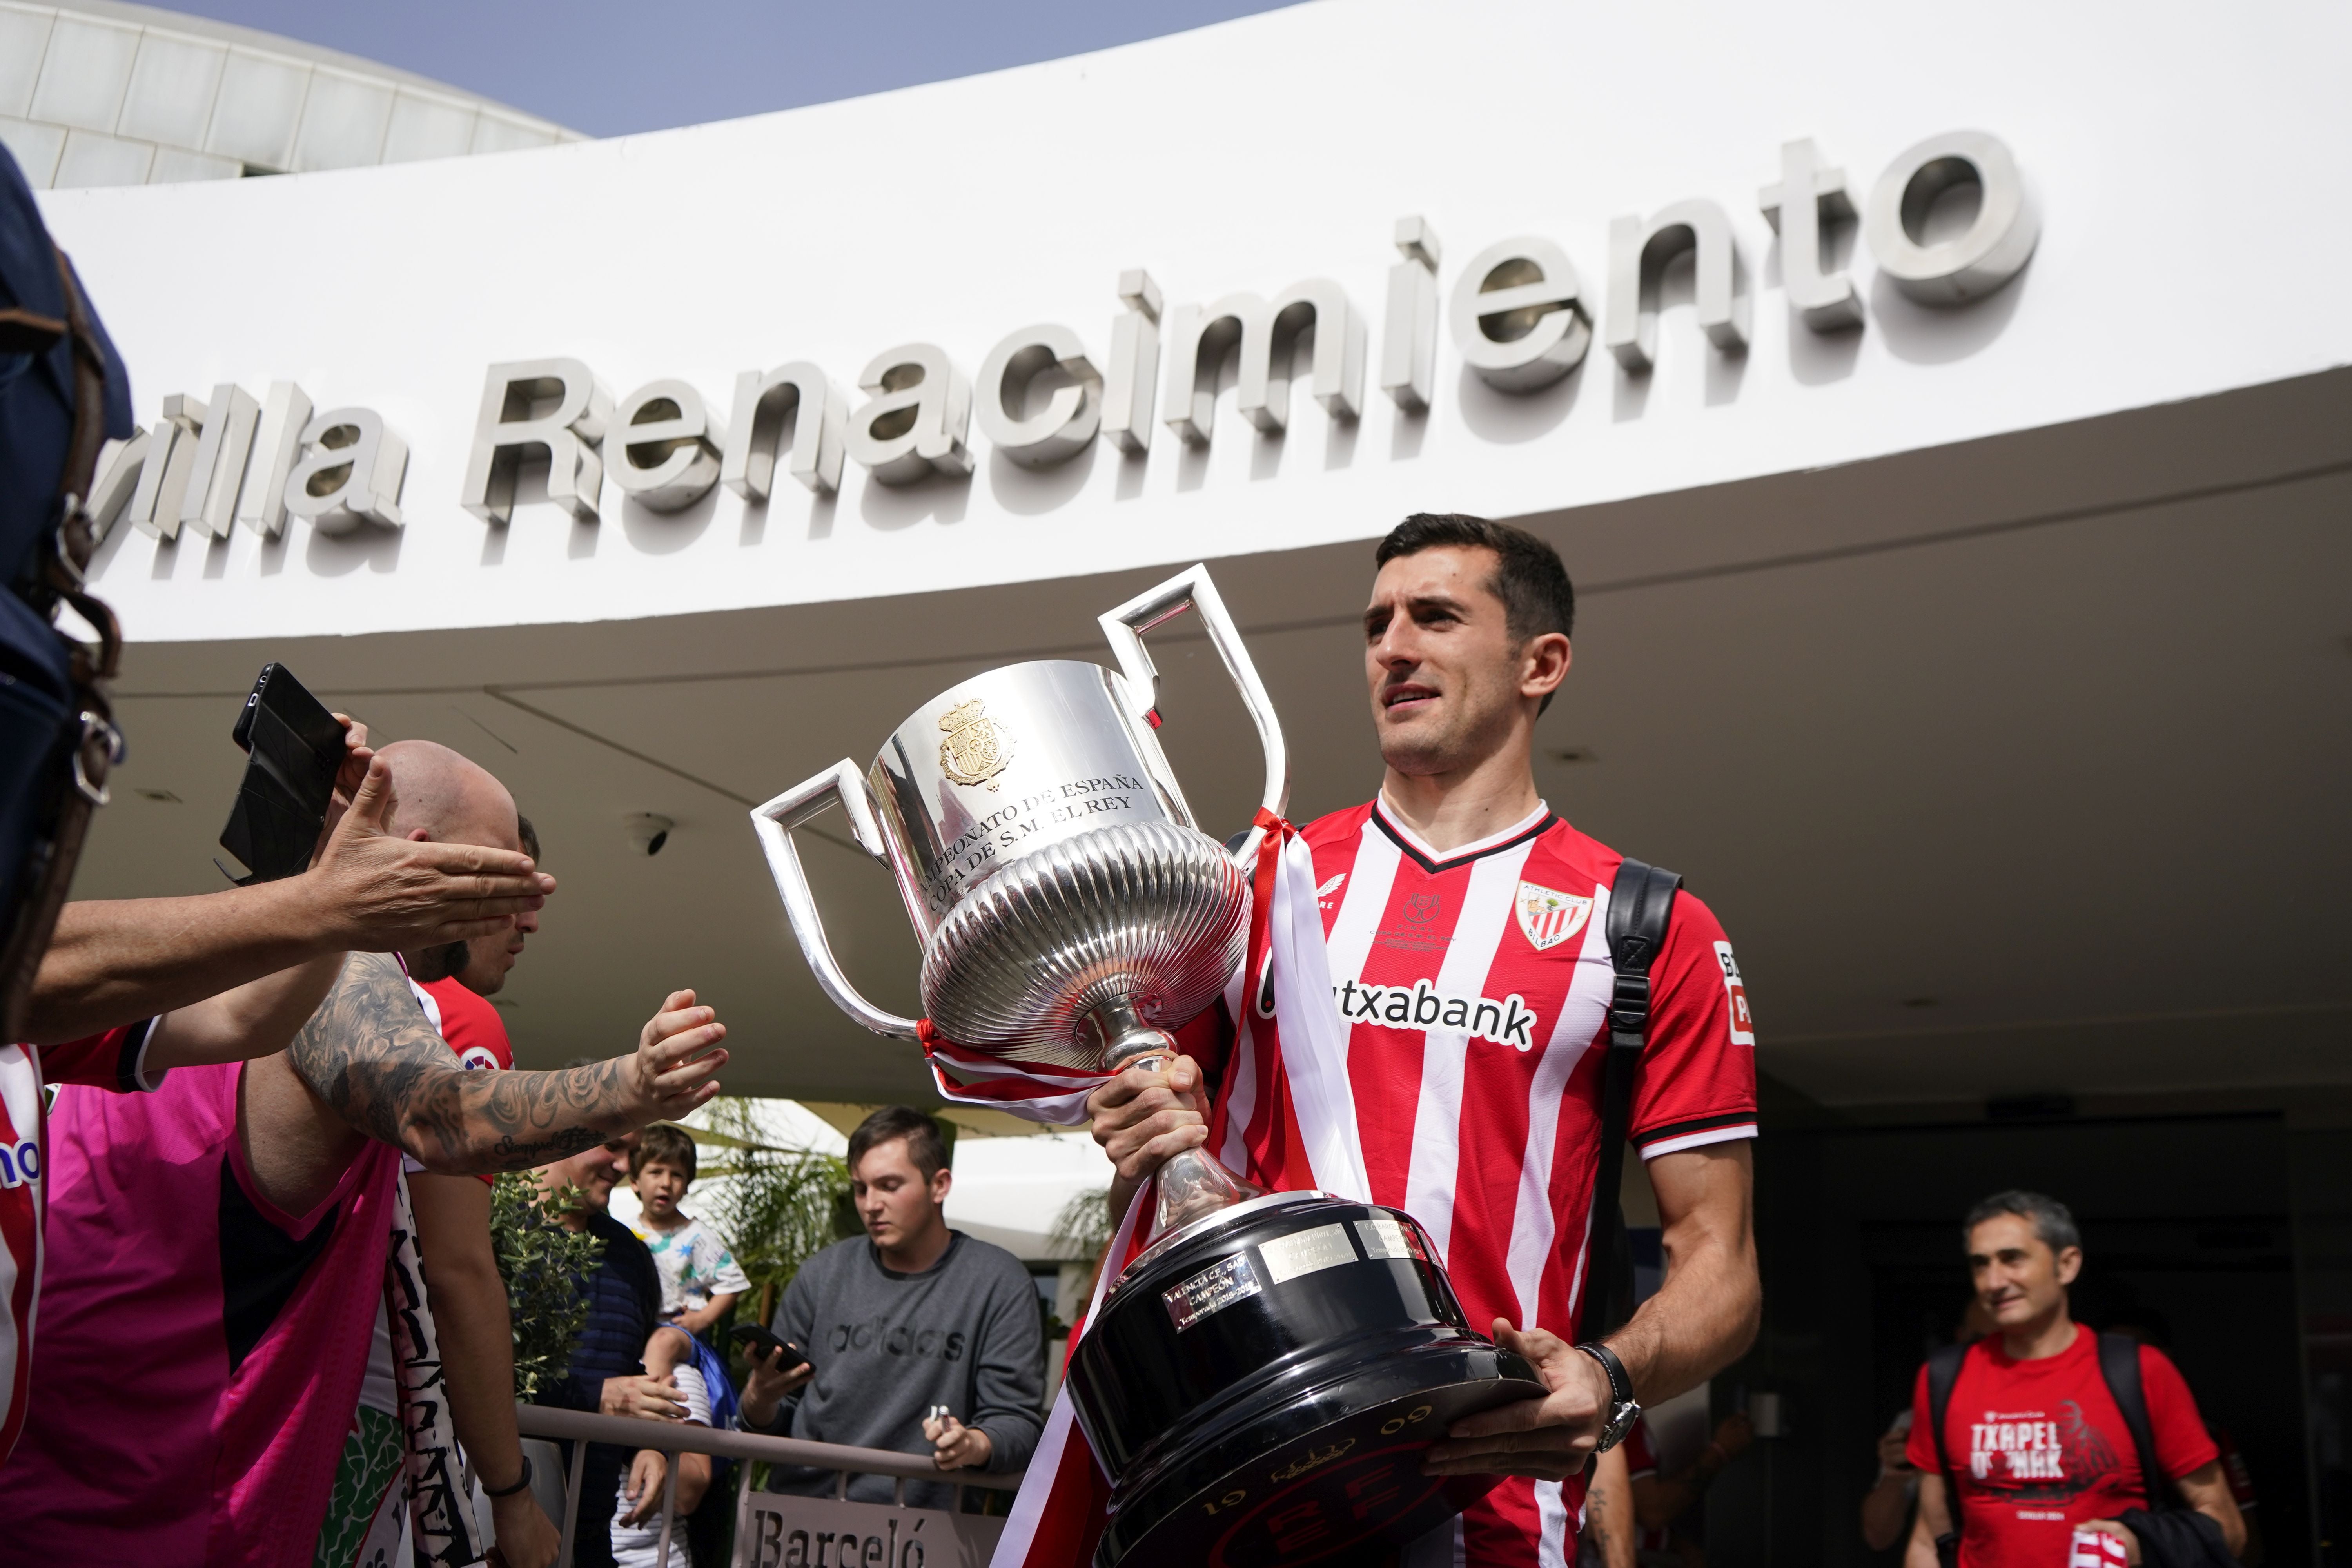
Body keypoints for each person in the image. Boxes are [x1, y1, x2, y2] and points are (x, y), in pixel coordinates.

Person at [1086, 514, 1762, 1562]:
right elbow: (1163, 1105)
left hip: (1496, 1506)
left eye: (1436, 616)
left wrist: (1609, 1376)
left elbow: (1723, 1266)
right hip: (1253, 1491)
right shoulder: (1259, 884)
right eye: (1377, 624)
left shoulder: (1648, 926)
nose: (1393, 647)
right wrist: (1137, 1105)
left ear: (1542, 663)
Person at [0, 740, 729, 1567]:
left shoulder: (240, 963)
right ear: (418, 858)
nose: (528, 914)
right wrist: (629, 1087)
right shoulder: (343, 971)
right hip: (155, 1499)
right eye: (505, 878)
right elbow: (439, 1120)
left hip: (82, 1470)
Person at [1903, 1191, 2245, 1568]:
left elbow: (2229, 1530)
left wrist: (2141, 1545)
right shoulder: (1942, 1378)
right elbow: (1926, 1542)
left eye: (2013, 1259)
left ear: (2067, 1265)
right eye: (1981, 1265)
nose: (1994, 1281)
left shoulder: (2139, 1370)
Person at [739, 1105, 1045, 1508]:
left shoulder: (999, 1281)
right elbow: (771, 1422)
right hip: (803, 1521)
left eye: (889, 1185)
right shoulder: (821, 1274)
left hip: (925, 1530)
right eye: (861, 1188)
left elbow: (1017, 1423)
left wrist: (974, 1444)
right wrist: (759, 1399)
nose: (871, 1204)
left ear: (940, 1185)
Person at [531, 1129, 710, 1568]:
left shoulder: (630, 1256)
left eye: (631, 1152)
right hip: (499, 1523)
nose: (623, 1164)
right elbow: (473, 1378)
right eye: (612, 1145)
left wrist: (646, 1444)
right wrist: (596, 1399)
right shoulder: (497, 1237)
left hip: (591, 1535)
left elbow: (629, 1375)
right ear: (563, 1132)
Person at [2103, 1307, 2263, 1568]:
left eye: (2133, 1354)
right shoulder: (2088, 1432)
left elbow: (2242, 1531)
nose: (2120, 1366)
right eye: (2109, 1357)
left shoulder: (2207, 1433)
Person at [1863, 1299, 1997, 1554]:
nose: (1994, 1353)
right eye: (1981, 1341)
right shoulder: (1926, 1417)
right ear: (1961, 1339)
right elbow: (1878, 1535)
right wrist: (1895, 1476)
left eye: (2006, 1340)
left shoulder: (2056, 1411)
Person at [630, 1121, 751, 1339]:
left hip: (677, 1332)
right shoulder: (625, 1232)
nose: (666, 1183)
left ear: (687, 1185)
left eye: (677, 1175)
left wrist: (701, 1320)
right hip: (635, 1330)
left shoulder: (695, 1235)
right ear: (634, 1181)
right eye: (656, 1172)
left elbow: (733, 1282)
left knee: (664, 1344)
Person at [1622, 1409, 1753, 1566]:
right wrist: (1720, 1452)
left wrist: (1676, 1545)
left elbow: (1633, 1514)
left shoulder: (1629, 1414)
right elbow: (1653, 1513)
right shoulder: (1621, 1416)